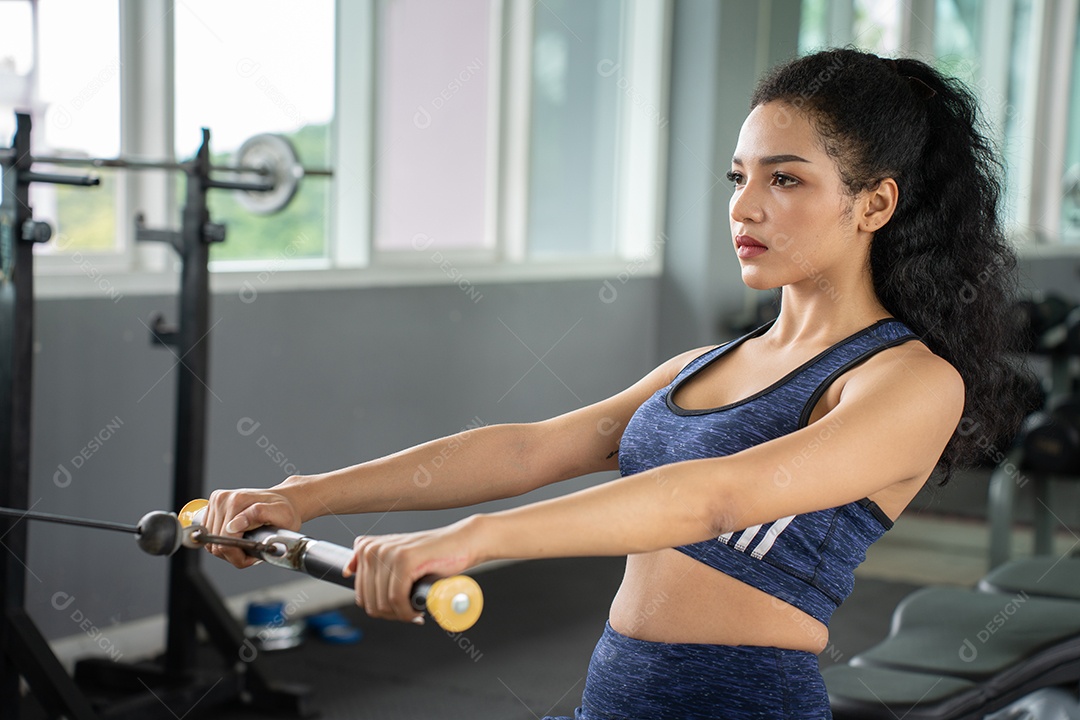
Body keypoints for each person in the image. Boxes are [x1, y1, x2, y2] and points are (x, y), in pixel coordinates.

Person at [203, 48, 1027, 719]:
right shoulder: (707, 367)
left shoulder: (909, 381)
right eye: (737, 178)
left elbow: (714, 499)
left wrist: (474, 541)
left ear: (875, 203)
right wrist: (304, 496)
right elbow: (529, 449)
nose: (745, 207)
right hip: (614, 694)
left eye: (785, 179)